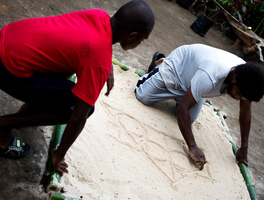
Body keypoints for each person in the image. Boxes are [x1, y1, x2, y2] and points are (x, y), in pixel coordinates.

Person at [0, 0, 155, 175]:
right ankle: (4, 125)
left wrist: (106, 60)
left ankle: (28, 108)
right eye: (142, 40)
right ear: (132, 36)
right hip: (8, 68)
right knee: (80, 108)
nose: (140, 44)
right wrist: (59, 155)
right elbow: (77, 118)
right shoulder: (99, 63)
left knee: (72, 61)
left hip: (6, 38)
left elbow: (84, 42)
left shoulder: (99, 16)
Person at [135, 44, 264, 170]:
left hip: (195, 80)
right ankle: (160, 63)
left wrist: (244, 147)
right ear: (233, 78)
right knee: (142, 96)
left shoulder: (247, 79)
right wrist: (192, 147)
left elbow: (245, 111)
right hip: (177, 69)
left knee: (189, 119)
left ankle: (189, 93)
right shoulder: (211, 74)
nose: (237, 99)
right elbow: (182, 108)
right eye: (238, 94)